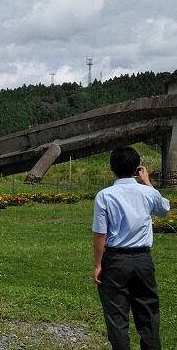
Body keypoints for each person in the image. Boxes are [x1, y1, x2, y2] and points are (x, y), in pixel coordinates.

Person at [92, 146, 170, 349]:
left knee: (117, 318)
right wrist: (148, 183)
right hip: (143, 259)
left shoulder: (105, 195)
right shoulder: (147, 193)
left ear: (112, 169)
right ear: (137, 168)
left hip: (116, 260)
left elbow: (101, 233)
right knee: (148, 316)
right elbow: (164, 210)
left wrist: (98, 265)